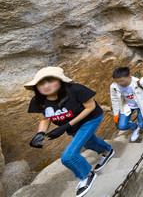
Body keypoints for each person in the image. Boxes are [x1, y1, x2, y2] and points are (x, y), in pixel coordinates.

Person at [26, 67, 113, 197]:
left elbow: (91, 107)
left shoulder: (76, 90)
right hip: (70, 126)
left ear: (60, 81)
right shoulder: (37, 100)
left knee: (68, 157)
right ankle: (107, 151)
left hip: (90, 119)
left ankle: (87, 175)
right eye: (41, 83)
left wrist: (65, 126)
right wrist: (40, 134)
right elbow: (44, 119)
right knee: (89, 143)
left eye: (50, 81)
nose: (46, 86)